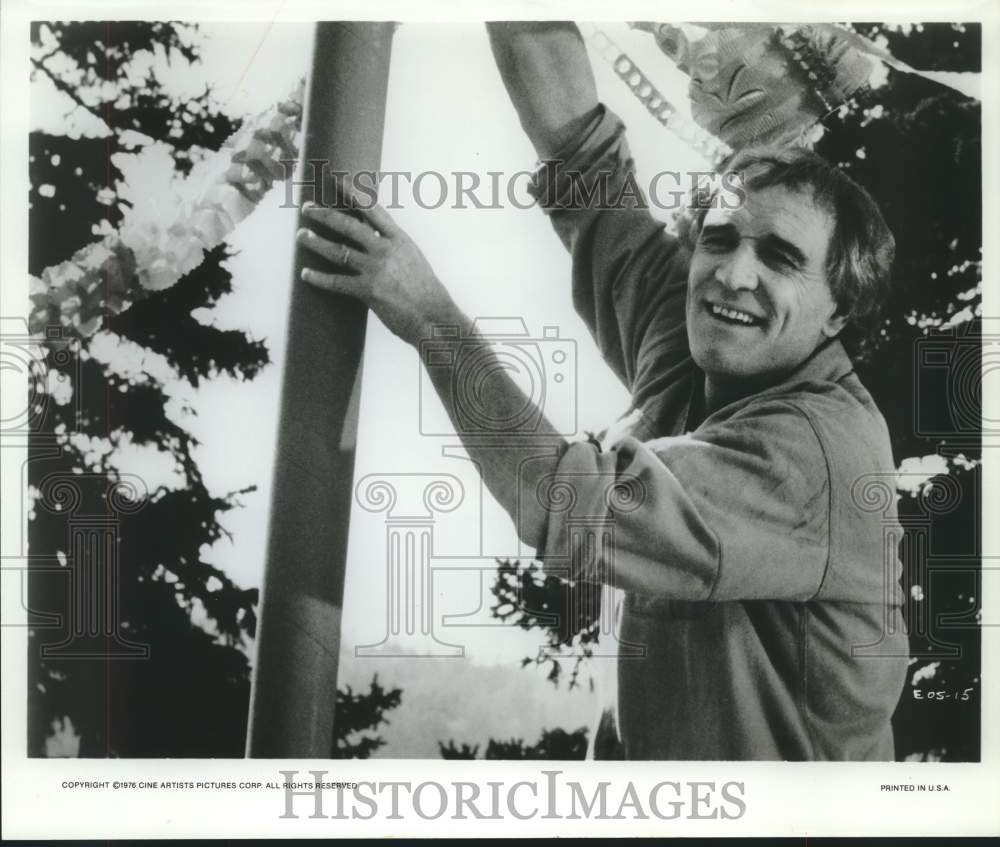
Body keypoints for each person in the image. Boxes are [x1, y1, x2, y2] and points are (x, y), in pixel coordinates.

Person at [295, 22, 909, 760]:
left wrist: (428, 315)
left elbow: (561, 500)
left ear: (838, 310)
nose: (733, 274)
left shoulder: (815, 452)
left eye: (779, 259)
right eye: (719, 238)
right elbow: (581, 160)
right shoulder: (698, 344)